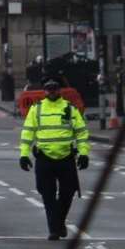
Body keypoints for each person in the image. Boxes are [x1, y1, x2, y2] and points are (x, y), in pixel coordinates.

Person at [18, 78, 89, 240]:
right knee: (47, 194)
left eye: (55, 89)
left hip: (66, 158)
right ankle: (54, 229)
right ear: (45, 91)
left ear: (59, 91)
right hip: (44, 158)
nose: (52, 92)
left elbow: (81, 132)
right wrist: (23, 154)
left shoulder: (69, 109)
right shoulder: (37, 109)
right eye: (49, 89)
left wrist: (84, 153)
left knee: (68, 192)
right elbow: (28, 132)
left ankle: (59, 222)